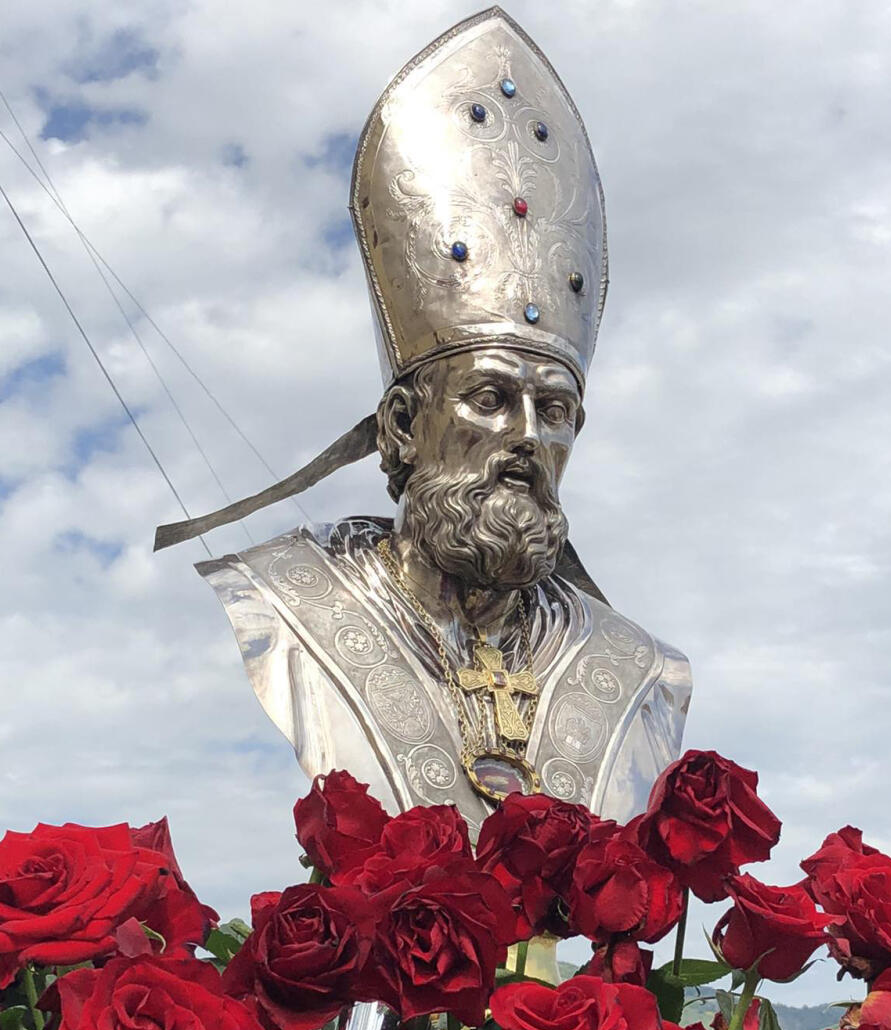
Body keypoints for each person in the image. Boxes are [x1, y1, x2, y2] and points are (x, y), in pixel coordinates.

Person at [158, 7, 691, 839]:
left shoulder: (641, 667)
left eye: (554, 412)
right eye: (489, 397)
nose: (527, 438)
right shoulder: (284, 597)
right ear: (404, 425)